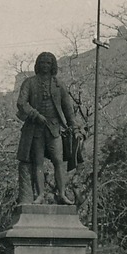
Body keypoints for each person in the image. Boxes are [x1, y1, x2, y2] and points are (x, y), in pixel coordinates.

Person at [16, 51, 82, 205]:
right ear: (37, 65)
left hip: (54, 128)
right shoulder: (29, 82)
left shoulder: (59, 85)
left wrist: (74, 126)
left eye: (48, 63)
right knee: (38, 162)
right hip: (36, 129)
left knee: (59, 161)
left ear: (53, 65)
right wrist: (35, 115)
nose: (45, 65)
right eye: (42, 62)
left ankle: (62, 194)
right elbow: (21, 103)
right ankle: (40, 195)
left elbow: (68, 108)